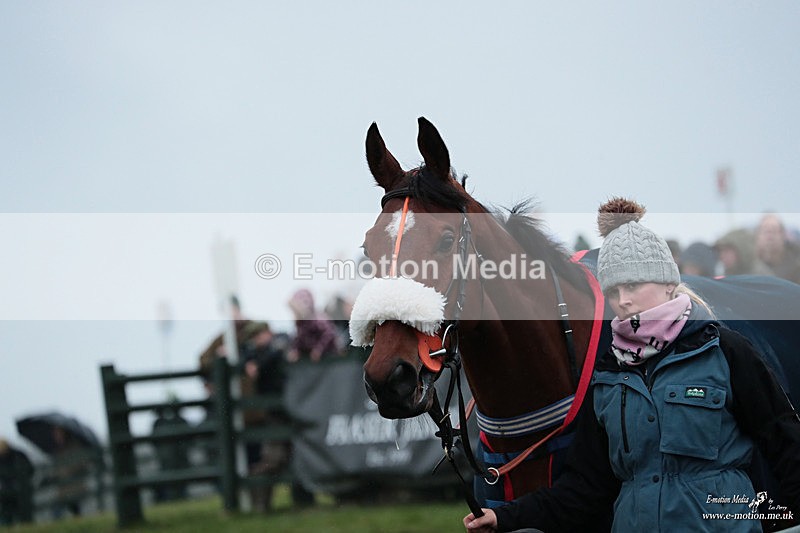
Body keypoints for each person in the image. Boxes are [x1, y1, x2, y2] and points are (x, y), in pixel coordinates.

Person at [464, 198, 800, 533]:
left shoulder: (724, 350)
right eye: (614, 290)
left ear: (669, 284)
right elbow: (585, 489)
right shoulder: (608, 376)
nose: (623, 300)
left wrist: (776, 520)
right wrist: (505, 517)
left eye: (635, 285)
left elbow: (785, 444)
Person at [150, 400, 192, 502]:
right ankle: (178, 498)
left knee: (174, 481)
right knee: (178, 482)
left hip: (170, 458)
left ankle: (176, 498)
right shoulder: (180, 421)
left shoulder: (158, 423)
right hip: (176, 457)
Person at [287, 288, 343, 362]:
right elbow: (300, 339)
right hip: (314, 364)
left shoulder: (319, 319)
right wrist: (295, 350)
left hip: (330, 359)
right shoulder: (301, 324)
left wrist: (318, 349)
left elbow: (329, 334)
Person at [755, 213, 800, 285]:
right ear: (757, 235)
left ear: (783, 235)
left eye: (774, 230)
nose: (770, 236)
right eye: (766, 231)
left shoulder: (796, 264)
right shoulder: (749, 263)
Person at [0, 438, 34, 525]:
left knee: (25, 517)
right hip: (7, 493)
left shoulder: (18, 455)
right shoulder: (19, 455)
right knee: (8, 517)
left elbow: (30, 469)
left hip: (21, 490)